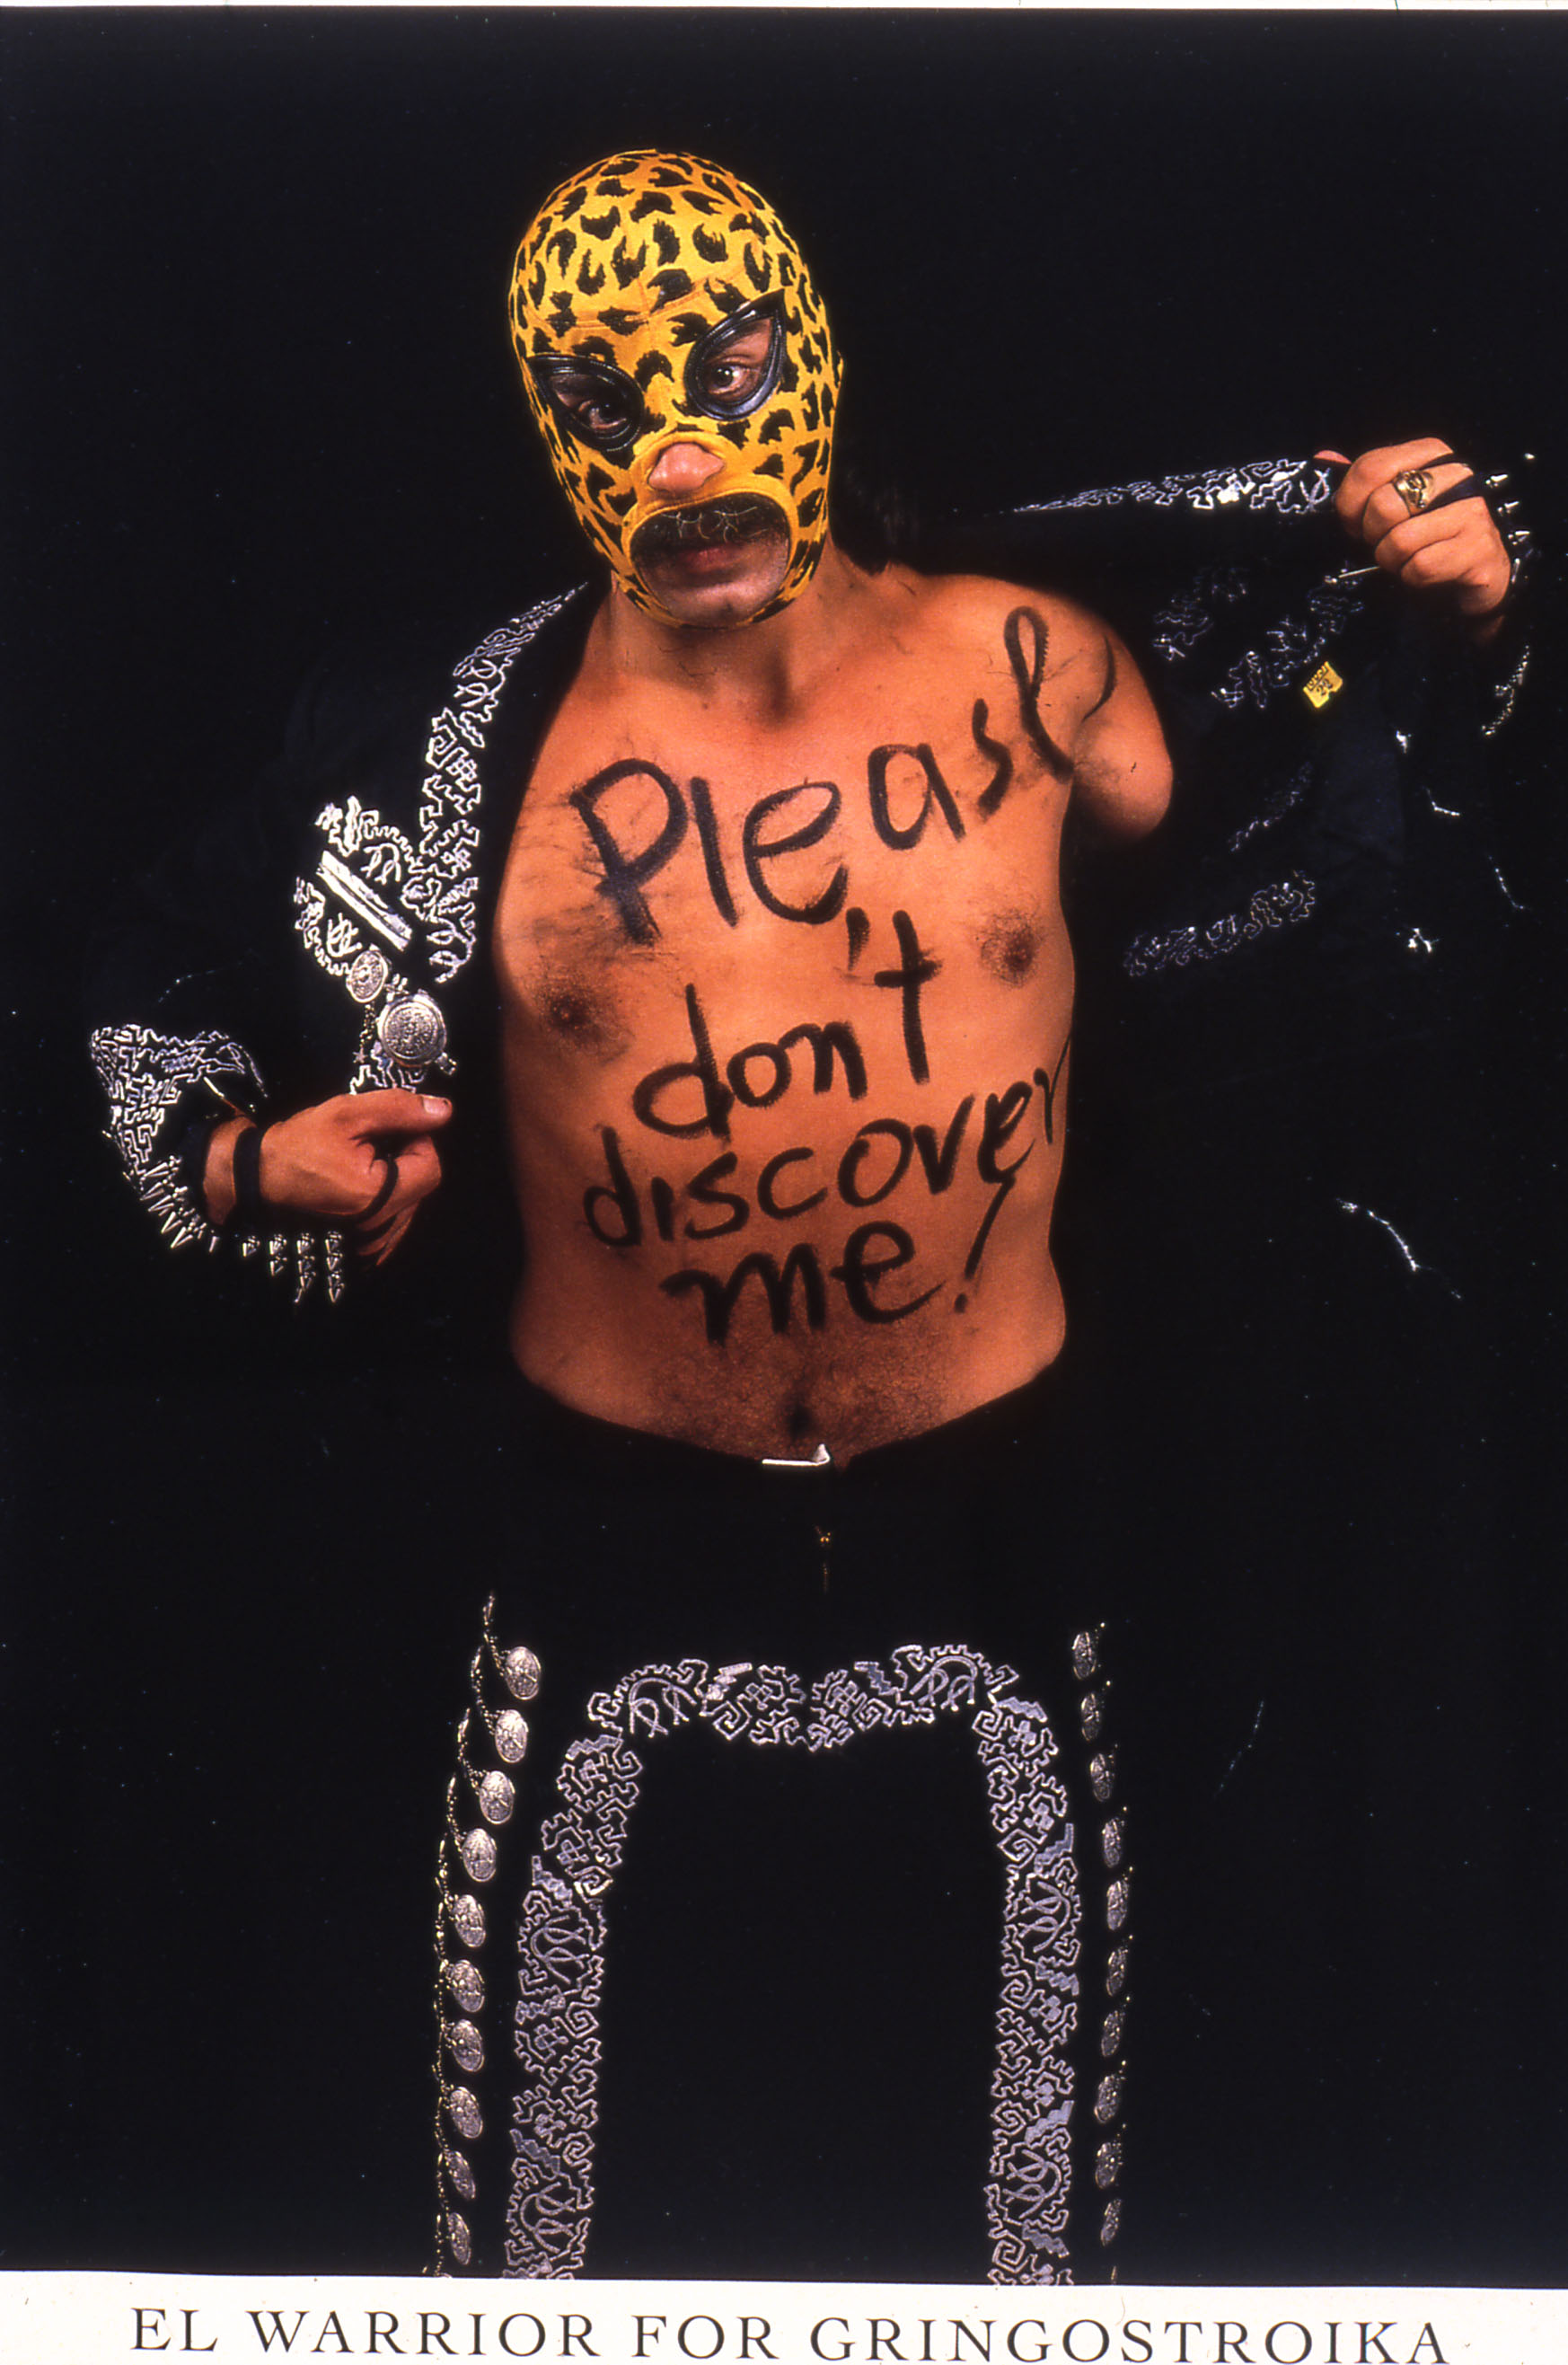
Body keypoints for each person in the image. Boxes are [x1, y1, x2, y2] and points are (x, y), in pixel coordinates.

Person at [89, 151, 1523, 2282]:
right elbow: (160, 967)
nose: (680, 454)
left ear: (816, 364)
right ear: (550, 434)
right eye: (607, 406)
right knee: (543, 2247)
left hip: (1003, 1545)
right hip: (612, 1564)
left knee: (1036, 2240)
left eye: (729, 371)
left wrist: (1451, 601)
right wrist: (241, 1160)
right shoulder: (459, 755)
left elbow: (1342, 818)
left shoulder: (1039, 670)